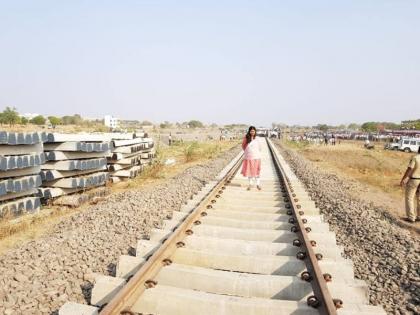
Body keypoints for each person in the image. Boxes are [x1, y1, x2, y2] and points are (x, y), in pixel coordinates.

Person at [400, 147, 420, 222]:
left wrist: (403, 179)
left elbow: (410, 169)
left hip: (414, 179)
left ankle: (411, 217)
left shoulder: (415, 158)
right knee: (419, 198)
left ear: (419, 149)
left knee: (409, 198)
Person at [241, 126, 262, 190]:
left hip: (256, 157)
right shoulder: (246, 137)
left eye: (253, 131)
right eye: (251, 131)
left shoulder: (257, 138)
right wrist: (247, 151)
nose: (252, 132)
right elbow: (243, 145)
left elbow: (260, 147)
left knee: (257, 171)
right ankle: (250, 184)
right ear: (249, 131)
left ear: (255, 131)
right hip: (248, 157)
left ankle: (258, 184)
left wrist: (255, 152)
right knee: (249, 171)